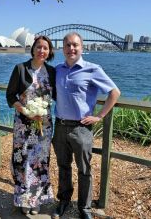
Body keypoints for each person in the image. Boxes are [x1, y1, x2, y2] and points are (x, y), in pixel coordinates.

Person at [52, 32, 121, 219]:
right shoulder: (57, 70)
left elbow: (114, 93)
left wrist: (99, 116)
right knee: (63, 166)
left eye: (75, 45)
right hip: (59, 126)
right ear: (63, 48)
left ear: (82, 48)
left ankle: (85, 207)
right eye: (67, 45)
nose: (71, 48)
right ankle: (63, 201)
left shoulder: (93, 69)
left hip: (81, 128)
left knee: (84, 169)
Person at [6, 35, 56, 215]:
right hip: (23, 124)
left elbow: (58, 95)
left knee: (40, 163)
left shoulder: (52, 72)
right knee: (22, 160)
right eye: (39, 47)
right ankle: (22, 199)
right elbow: (10, 96)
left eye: (45, 48)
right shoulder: (20, 69)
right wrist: (26, 111)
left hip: (44, 125)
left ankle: (36, 200)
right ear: (33, 49)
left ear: (49, 52)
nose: (42, 51)